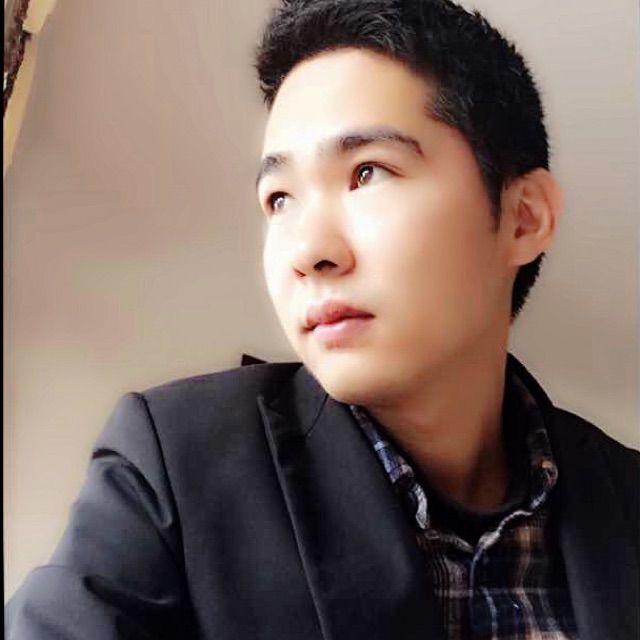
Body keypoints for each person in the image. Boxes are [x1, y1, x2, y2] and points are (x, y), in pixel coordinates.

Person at [6, 0, 639, 638]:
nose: (308, 251)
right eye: (279, 199)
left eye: (368, 172)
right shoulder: (173, 465)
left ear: (524, 218)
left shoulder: (625, 500)